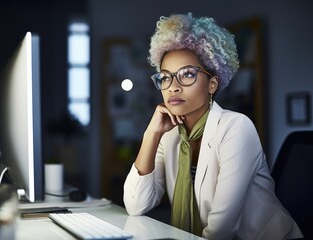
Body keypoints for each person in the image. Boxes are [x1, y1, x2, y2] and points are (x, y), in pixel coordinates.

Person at [123, 13, 303, 239]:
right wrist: (152, 134)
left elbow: (221, 229)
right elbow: (136, 204)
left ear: (213, 84)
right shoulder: (169, 136)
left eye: (187, 74)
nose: (173, 87)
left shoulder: (237, 127)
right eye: (166, 77)